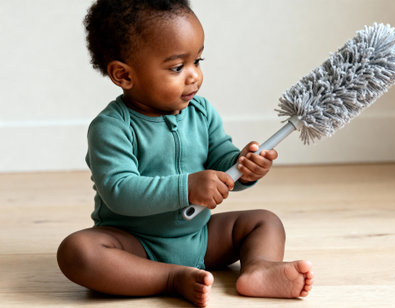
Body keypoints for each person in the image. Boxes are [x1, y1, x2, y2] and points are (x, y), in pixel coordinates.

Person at [57, 0, 313, 306]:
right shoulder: (111, 127)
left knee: (265, 221)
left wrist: (243, 168)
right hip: (135, 243)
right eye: (177, 67)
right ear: (124, 75)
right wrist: (188, 187)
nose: (193, 76)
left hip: (201, 236)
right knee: (77, 251)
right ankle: (168, 277)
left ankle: (259, 269)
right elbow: (119, 190)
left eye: (198, 61)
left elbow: (221, 161)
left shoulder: (201, 112)